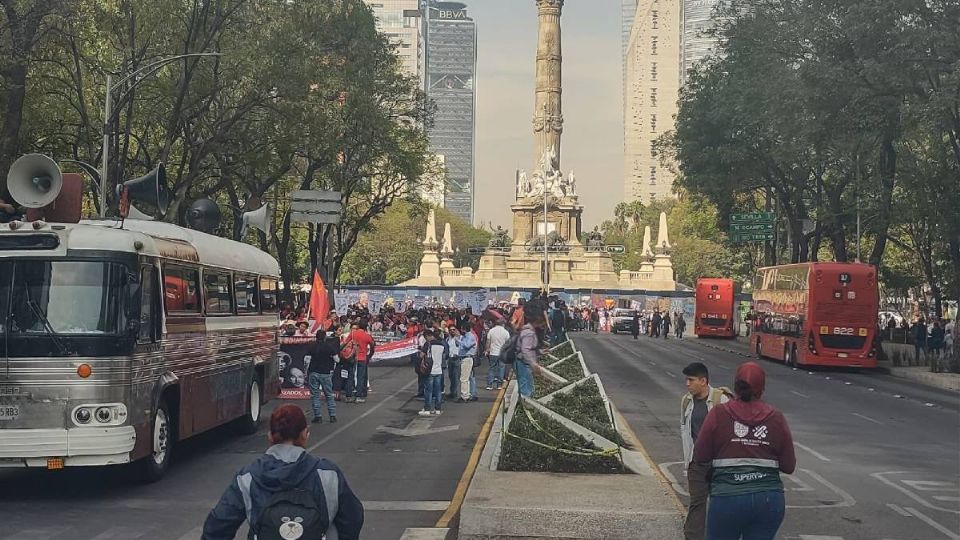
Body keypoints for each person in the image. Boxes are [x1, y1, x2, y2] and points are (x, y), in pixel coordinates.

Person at [202, 404, 364, 540]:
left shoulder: (248, 477)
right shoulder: (328, 474)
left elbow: (217, 527)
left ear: (270, 437)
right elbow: (353, 519)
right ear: (305, 434)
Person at [691, 362, 796, 540]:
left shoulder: (718, 413)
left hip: (727, 497)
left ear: (736, 386)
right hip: (768, 500)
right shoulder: (776, 417)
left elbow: (700, 455)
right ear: (762, 388)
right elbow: (788, 465)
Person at [680, 363, 730, 540]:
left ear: (703, 381)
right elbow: (685, 431)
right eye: (686, 379)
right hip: (697, 463)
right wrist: (688, 463)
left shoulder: (722, 400)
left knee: (722, 504)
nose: (687, 384)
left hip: (719, 464)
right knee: (697, 504)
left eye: (691, 380)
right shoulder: (686, 401)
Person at [517, 300, 547, 398]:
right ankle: (524, 404)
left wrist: (539, 351)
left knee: (528, 384)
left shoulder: (529, 331)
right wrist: (533, 364)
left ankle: (527, 401)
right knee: (525, 387)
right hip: (522, 362)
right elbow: (525, 350)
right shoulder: (529, 333)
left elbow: (530, 348)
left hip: (524, 362)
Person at [307, 331, 339, 424]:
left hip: (314, 372)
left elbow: (307, 360)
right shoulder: (329, 347)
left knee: (315, 395)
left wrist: (307, 371)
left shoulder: (311, 346)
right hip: (326, 373)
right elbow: (337, 359)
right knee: (329, 394)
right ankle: (332, 416)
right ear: (325, 337)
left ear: (316, 337)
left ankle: (318, 416)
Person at [419, 329, 448, 416]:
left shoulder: (428, 344)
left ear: (428, 336)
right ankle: (437, 409)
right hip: (439, 370)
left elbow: (421, 355)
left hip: (430, 370)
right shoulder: (442, 344)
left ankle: (427, 409)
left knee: (428, 390)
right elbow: (445, 355)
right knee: (438, 390)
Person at [347, 321, 376, 404]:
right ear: (366, 327)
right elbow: (373, 345)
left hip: (352, 357)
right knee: (360, 377)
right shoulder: (367, 336)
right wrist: (370, 355)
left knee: (351, 376)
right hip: (362, 358)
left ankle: (348, 396)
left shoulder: (353, 334)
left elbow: (345, 342)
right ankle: (358, 396)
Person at [486, 318, 510, 390]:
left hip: (493, 352)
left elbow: (488, 341)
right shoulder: (505, 332)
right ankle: (499, 385)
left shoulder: (491, 331)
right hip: (502, 353)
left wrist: (487, 350)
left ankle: (489, 385)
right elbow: (508, 343)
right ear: (503, 324)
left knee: (492, 368)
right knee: (501, 368)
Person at [457, 322, 478, 403]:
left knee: (464, 378)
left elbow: (467, 345)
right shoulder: (465, 336)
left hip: (467, 358)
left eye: (462, 328)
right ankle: (467, 394)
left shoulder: (470, 336)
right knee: (467, 378)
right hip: (464, 358)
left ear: (464, 329)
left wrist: (459, 340)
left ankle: (464, 396)